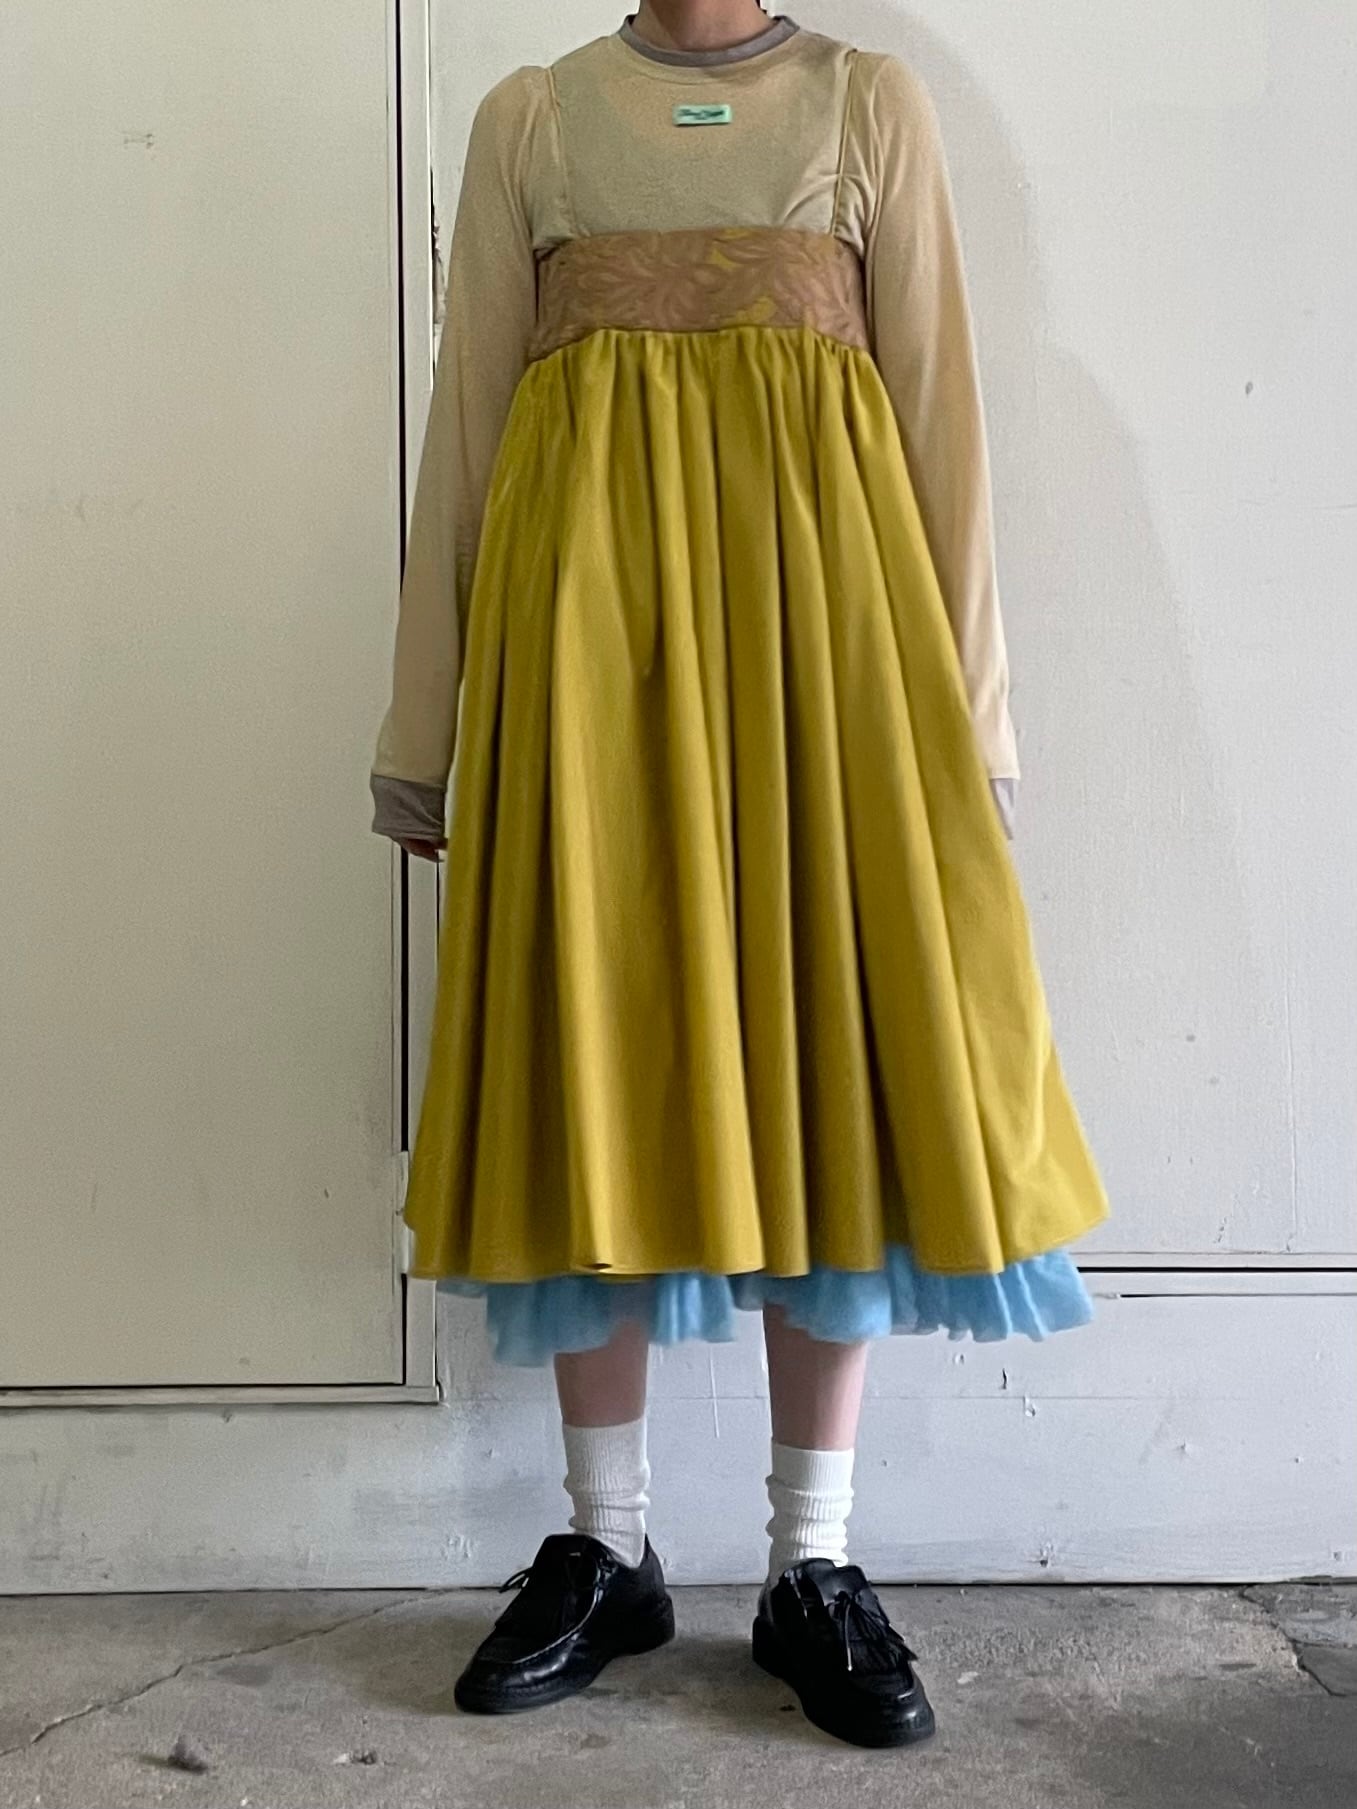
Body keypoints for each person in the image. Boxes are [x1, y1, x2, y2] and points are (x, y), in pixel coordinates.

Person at [370, 1, 1107, 1750]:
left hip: (824, 660)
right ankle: (604, 1542)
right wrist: (426, 722)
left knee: (831, 1063)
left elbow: (939, 417)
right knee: (594, 1050)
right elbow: (468, 421)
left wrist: (968, 729)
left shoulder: (867, 107)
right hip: (581, 659)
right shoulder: (532, 119)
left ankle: (810, 1559)